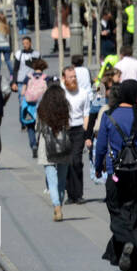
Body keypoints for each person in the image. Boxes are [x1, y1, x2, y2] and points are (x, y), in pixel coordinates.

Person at [94, 80, 137, 271]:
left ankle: (126, 239)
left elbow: (100, 146)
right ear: (136, 95)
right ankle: (133, 258)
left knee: (116, 210)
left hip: (115, 173)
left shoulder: (110, 117)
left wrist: (98, 167)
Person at [36, 83, 73, 222]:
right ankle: (60, 204)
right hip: (63, 145)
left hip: (46, 146)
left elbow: (37, 128)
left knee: (51, 180)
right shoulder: (65, 109)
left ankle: (56, 206)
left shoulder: (41, 109)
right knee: (62, 180)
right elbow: (69, 126)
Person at [61, 66, 91, 203]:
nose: (73, 79)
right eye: (70, 77)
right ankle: (70, 193)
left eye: (74, 76)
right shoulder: (61, 93)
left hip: (78, 129)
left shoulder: (83, 93)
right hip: (64, 130)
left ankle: (78, 194)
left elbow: (86, 113)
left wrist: (85, 132)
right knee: (67, 162)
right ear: (64, 78)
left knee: (77, 161)